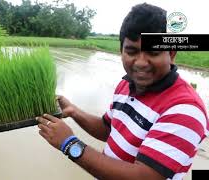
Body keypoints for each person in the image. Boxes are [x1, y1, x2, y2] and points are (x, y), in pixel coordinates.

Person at [37, 3, 208, 180]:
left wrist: (69, 143)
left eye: (153, 52)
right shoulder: (126, 85)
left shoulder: (185, 109)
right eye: (132, 51)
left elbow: (144, 177)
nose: (141, 62)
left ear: (171, 53)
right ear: (121, 51)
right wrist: (74, 111)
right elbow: (109, 129)